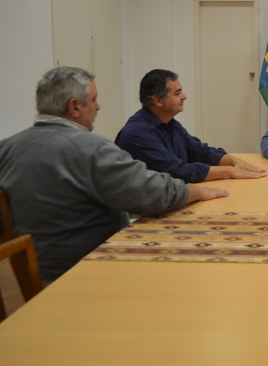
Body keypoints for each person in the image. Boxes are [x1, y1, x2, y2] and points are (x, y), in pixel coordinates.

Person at [0, 67, 229, 283]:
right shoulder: (90, 148)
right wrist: (198, 192)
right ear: (74, 107)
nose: (98, 107)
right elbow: (151, 193)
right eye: (94, 100)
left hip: (33, 274)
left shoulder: (6, 147)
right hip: (88, 270)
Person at [116, 69, 266, 183]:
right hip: (140, 214)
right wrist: (229, 171)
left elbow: (200, 151)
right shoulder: (137, 134)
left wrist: (234, 161)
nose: (184, 97)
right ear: (157, 100)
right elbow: (176, 171)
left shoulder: (170, 123)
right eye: (177, 93)